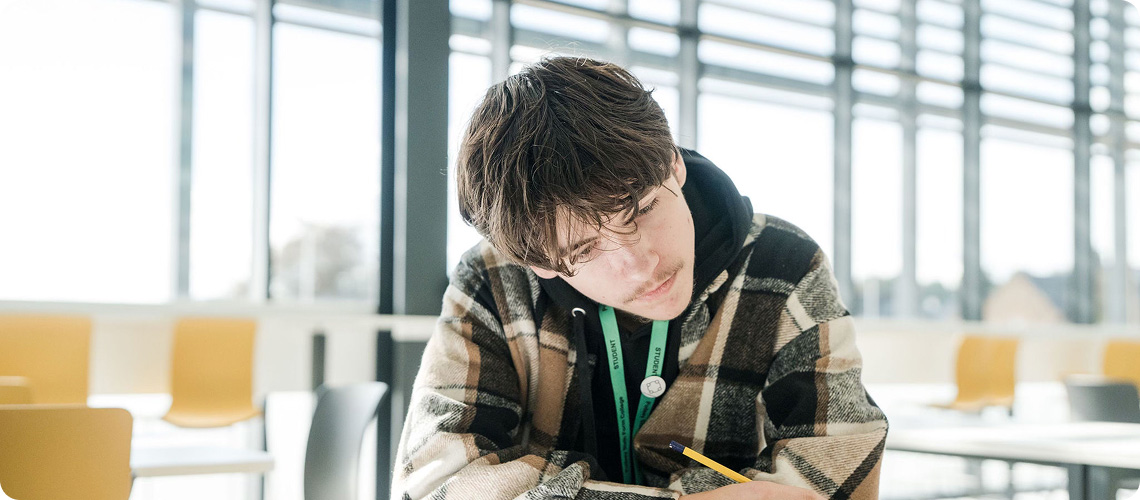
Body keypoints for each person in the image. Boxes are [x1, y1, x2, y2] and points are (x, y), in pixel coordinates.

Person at [393, 56, 888, 500]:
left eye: (645, 209)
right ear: (537, 262)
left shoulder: (786, 264)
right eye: (584, 250)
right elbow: (436, 481)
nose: (639, 264)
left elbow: (842, 466)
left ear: (673, 163)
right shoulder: (492, 278)